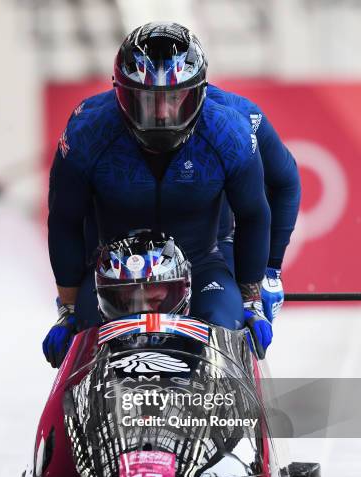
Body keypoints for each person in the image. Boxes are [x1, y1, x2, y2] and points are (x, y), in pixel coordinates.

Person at [43, 22, 288, 368]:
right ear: (121, 94)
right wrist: (68, 309)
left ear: (198, 93)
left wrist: (251, 300)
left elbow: (253, 215)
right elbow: (65, 219)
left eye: (174, 98)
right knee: (87, 337)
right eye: (145, 100)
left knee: (225, 327)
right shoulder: (88, 132)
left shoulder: (227, 132)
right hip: (115, 276)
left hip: (201, 265)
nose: (161, 114)